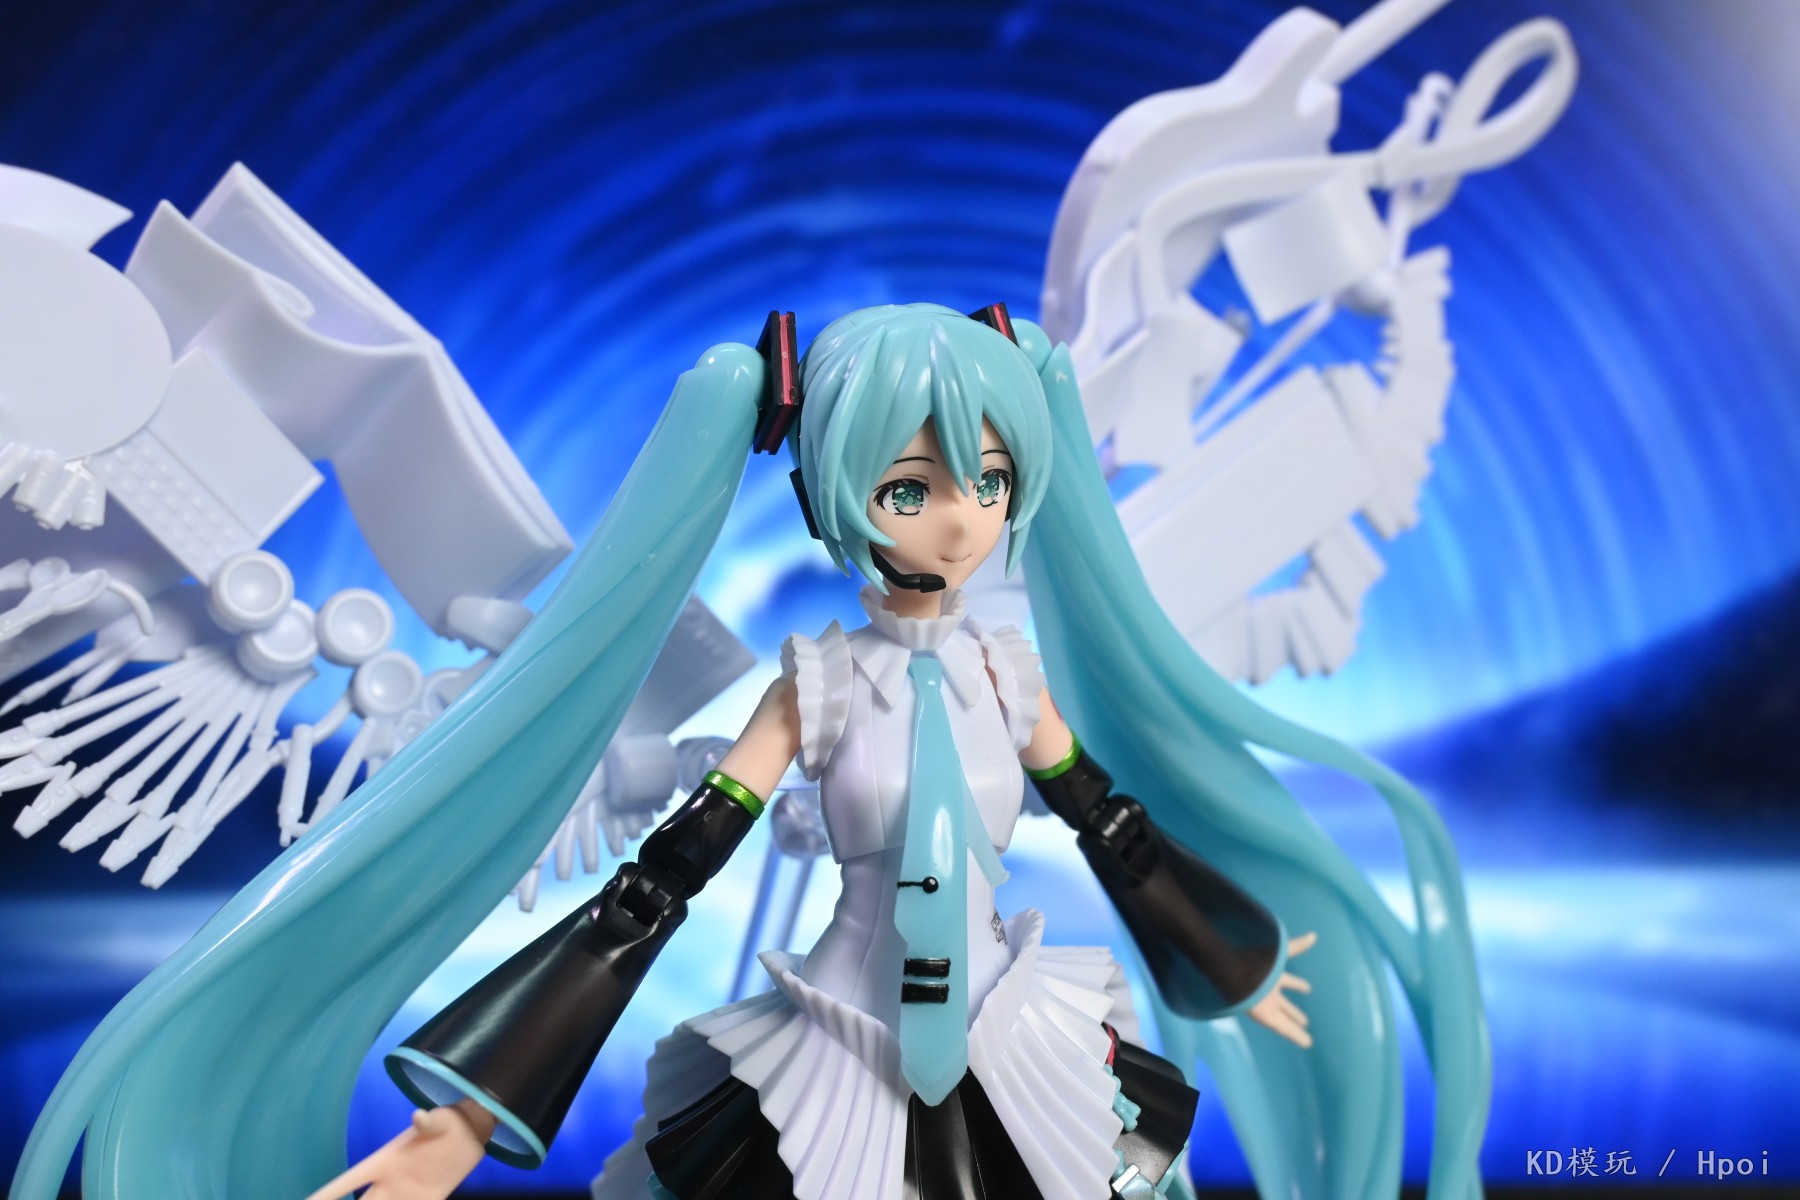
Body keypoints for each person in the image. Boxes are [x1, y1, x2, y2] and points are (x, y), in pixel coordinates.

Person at [12, 305, 1486, 1200]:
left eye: (986, 479)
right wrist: (467, 1114)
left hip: (1020, 1031)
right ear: (842, 496)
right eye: (912, 485)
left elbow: (1111, 822)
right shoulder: (817, 688)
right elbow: (659, 886)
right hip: (834, 1051)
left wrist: (1231, 961)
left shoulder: (1006, 674)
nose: (960, 517)